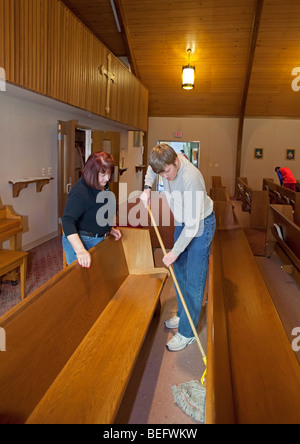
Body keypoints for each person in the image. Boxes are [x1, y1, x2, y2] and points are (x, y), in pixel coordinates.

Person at [141, 143, 216, 352]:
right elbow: (151, 168)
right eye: (161, 174)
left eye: (167, 172)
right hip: (183, 221)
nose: (164, 177)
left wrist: (174, 251)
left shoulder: (191, 178)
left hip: (200, 224)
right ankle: (184, 315)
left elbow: (194, 225)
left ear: (176, 161)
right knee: (180, 274)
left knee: (194, 278)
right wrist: (147, 188)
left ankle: (187, 332)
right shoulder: (163, 164)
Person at [62, 152, 122, 268]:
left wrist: (110, 229)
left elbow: (96, 212)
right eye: (103, 174)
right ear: (92, 172)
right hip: (82, 240)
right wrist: (80, 250)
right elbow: (67, 221)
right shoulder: (80, 192)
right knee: (82, 282)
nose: (107, 178)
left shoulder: (102, 184)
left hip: (98, 238)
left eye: (109, 174)